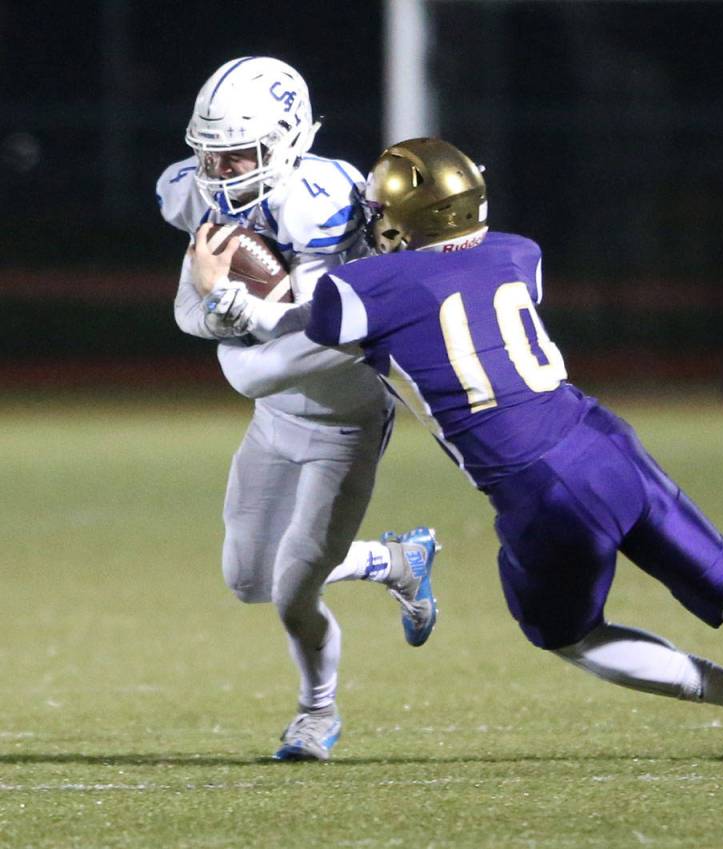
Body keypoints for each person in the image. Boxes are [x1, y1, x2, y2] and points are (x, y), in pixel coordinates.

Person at [190, 138, 723, 760]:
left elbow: (285, 325)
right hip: (602, 441)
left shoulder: (366, 290)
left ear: (400, 221)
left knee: (573, 635)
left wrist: (226, 292)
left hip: (538, 491)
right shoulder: (520, 252)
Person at [155, 59, 440, 762]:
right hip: (276, 417)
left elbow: (320, 329)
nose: (218, 171)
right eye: (210, 153)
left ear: (286, 140)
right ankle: (395, 560)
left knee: (292, 592)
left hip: (345, 421)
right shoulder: (192, 191)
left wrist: (227, 309)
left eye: (237, 154)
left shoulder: (322, 200)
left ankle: (316, 713)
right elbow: (191, 313)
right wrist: (223, 314)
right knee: (248, 579)